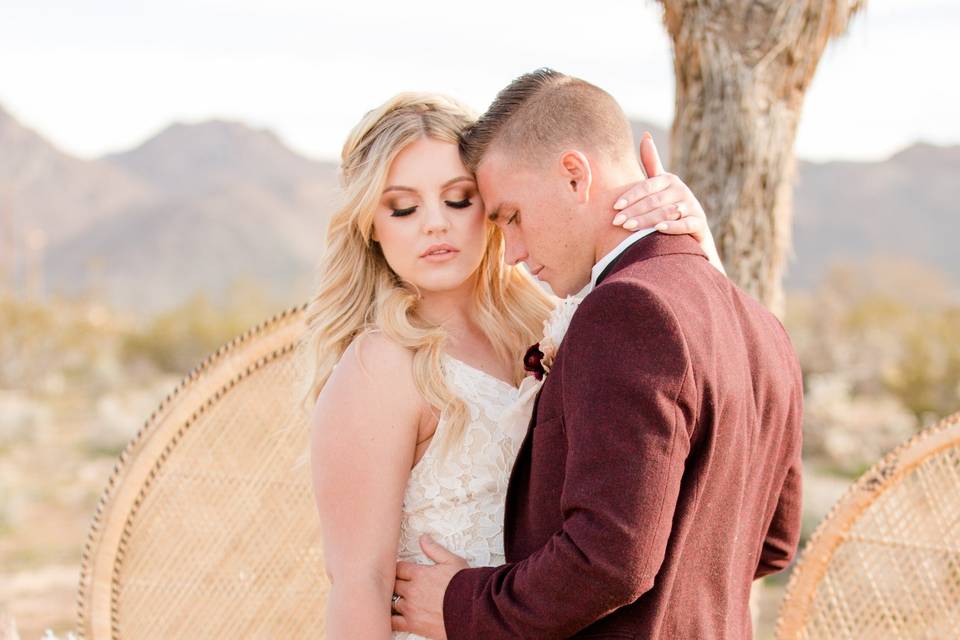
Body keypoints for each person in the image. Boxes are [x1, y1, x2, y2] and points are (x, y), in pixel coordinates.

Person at [390, 70, 804, 639]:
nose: (508, 251)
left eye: (510, 215)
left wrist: (464, 604)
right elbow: (774, 542)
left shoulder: (627, 310)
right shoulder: (762, 327)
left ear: (573, 176)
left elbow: (610, 560)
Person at [301, 91, 724, 639]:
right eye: (403, 207)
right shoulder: (379, 366)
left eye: (458, 199)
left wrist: (698, 254)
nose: (435, 224)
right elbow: (360, 584)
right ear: (370, 226)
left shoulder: (559, 325)